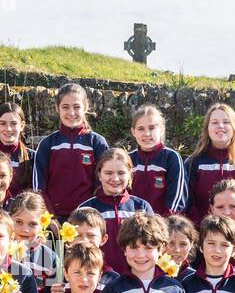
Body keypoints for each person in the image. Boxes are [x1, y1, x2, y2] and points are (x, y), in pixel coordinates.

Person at [32, 83, 110, 215]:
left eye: (77, 107)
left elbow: (103, 184)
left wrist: (93, 215)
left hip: (88, 218)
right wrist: (49, 217)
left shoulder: (97, 143)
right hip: (55, 219)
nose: (71, 113)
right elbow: (38, 186)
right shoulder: (48, 144)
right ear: (57, 108)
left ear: (85, 107)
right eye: (65, 107)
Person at [77, 147, 154, 276]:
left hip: (134, 280)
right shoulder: (87, 209)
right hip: (98, 280)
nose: (115, 178)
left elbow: (153, 246)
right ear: (99, 174)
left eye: (121, 173)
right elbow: (73, 250)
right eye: (108, 173)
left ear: (130, 173)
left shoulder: (142, 207)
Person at [185, 103, 235, 223]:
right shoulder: (193, 162)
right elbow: (188, 202)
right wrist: (201, 228)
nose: (220, 126)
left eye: (226, 122)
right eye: (214, 122)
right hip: (204, 234)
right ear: (207, 128)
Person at [128, 104, 187, 216]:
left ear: (161, 129)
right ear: (133, 132)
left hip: (163, 226)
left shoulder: (171, 157)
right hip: (132, 225)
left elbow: (177, 199)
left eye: (152, 128)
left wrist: (164, 222)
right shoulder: (128, 159)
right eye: (141, 129)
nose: (147, 133)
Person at [0, 101, 34, 197]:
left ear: (22, 126)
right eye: (3, 123)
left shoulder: (33, 157)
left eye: (13, 123)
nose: (8, 129)